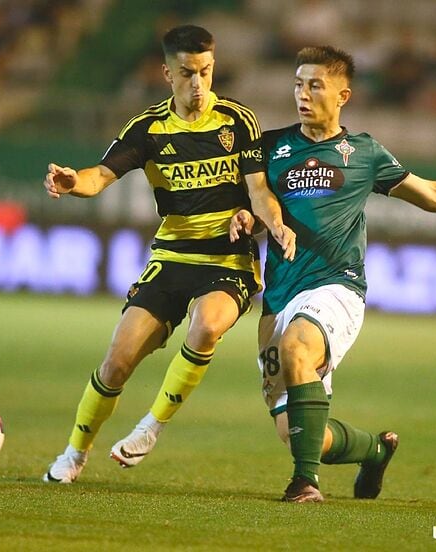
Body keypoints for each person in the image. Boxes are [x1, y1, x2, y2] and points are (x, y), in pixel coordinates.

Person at [227, 46, 436, 502]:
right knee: (294, 432)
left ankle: (305, 483)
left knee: (298, 346)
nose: (303, 93)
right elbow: (261, 204)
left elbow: (431, 193)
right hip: (279, 294)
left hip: (336, 287)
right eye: (298, 83)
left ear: (343, 96)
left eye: (316, 85)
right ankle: (374, 452)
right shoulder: (268, 147)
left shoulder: (363, 152)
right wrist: (248, 219)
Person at [40, 24, 295, 483]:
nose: (197, 84)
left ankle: (150, 427)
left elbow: (259, 189)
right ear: (167, 73)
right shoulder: (148, 128)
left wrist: (271, 222)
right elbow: (99, 175)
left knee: (208, 325)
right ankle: (74, 454)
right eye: (186, 73)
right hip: (171, 258)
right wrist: (73, 181)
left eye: (205, 72)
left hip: (226, 260)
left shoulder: (238, 121)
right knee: (117, 362)